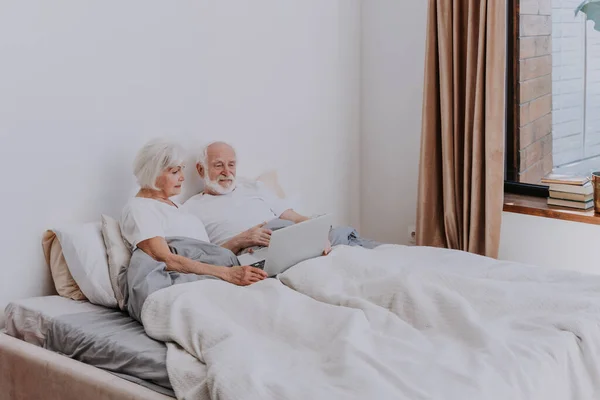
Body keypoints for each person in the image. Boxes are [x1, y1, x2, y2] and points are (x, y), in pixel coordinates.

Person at [119, 139, 267, 287]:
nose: (182, 177)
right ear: (153, 173)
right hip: (188, 279)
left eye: (182, 169)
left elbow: (206, 256)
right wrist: (227, 273)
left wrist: (240, 241)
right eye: (175, 171)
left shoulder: (178, 207)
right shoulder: (140, 208)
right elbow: (164, 258)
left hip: (211, 272)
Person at [181, 141, 332, 255]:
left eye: (231, 165)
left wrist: (318, 235)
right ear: (201, 169)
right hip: (250, 253)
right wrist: (242, 240)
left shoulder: (253, 187)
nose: (227, 172)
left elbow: (297, 218)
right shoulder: (190, 209)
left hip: (285, 237)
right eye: (219, 165)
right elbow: (204, 258)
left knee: (343, 234)